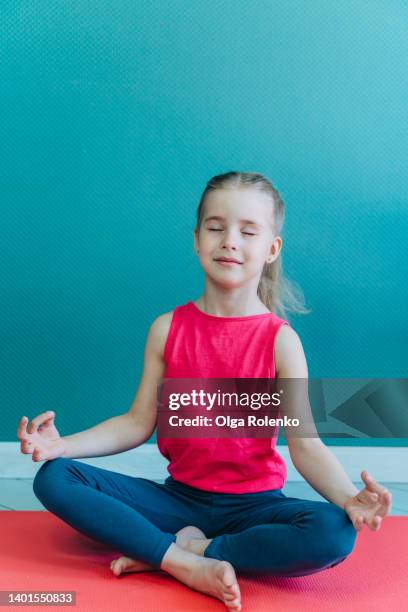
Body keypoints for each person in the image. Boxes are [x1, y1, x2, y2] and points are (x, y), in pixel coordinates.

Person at [18, 172, 392, 611]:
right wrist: (62, 445)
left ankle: (185, 553)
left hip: (255, 507)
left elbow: (306, 446)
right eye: (216, 227)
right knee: (56, 477)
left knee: (333, 531)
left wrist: (349, 499)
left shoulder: (280, 341)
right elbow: (137, 423)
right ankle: (180, 559)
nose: (229, 241)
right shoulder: (166, 329)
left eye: (247, 231)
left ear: (271, 249)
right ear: (197, 240)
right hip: (177, 499)